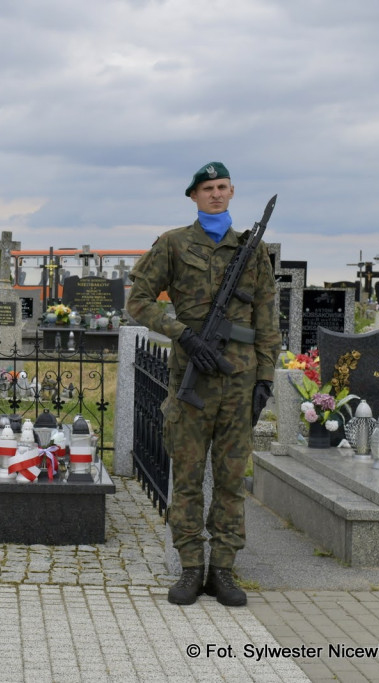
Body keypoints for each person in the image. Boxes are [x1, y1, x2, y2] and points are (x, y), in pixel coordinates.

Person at [126, 162, 280, 607]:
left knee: (232, 480)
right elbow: (137, 301)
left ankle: (224, 571)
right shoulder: (174, 244)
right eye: (207, 188)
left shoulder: (252, 251)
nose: (215, 194)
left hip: (240, 379)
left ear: (232, 192)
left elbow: (267, 318)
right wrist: (183, 334)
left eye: (222, 187)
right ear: (193, 196)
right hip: (191, 378)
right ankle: (192, 567)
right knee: (189, 478)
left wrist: (265, 378)